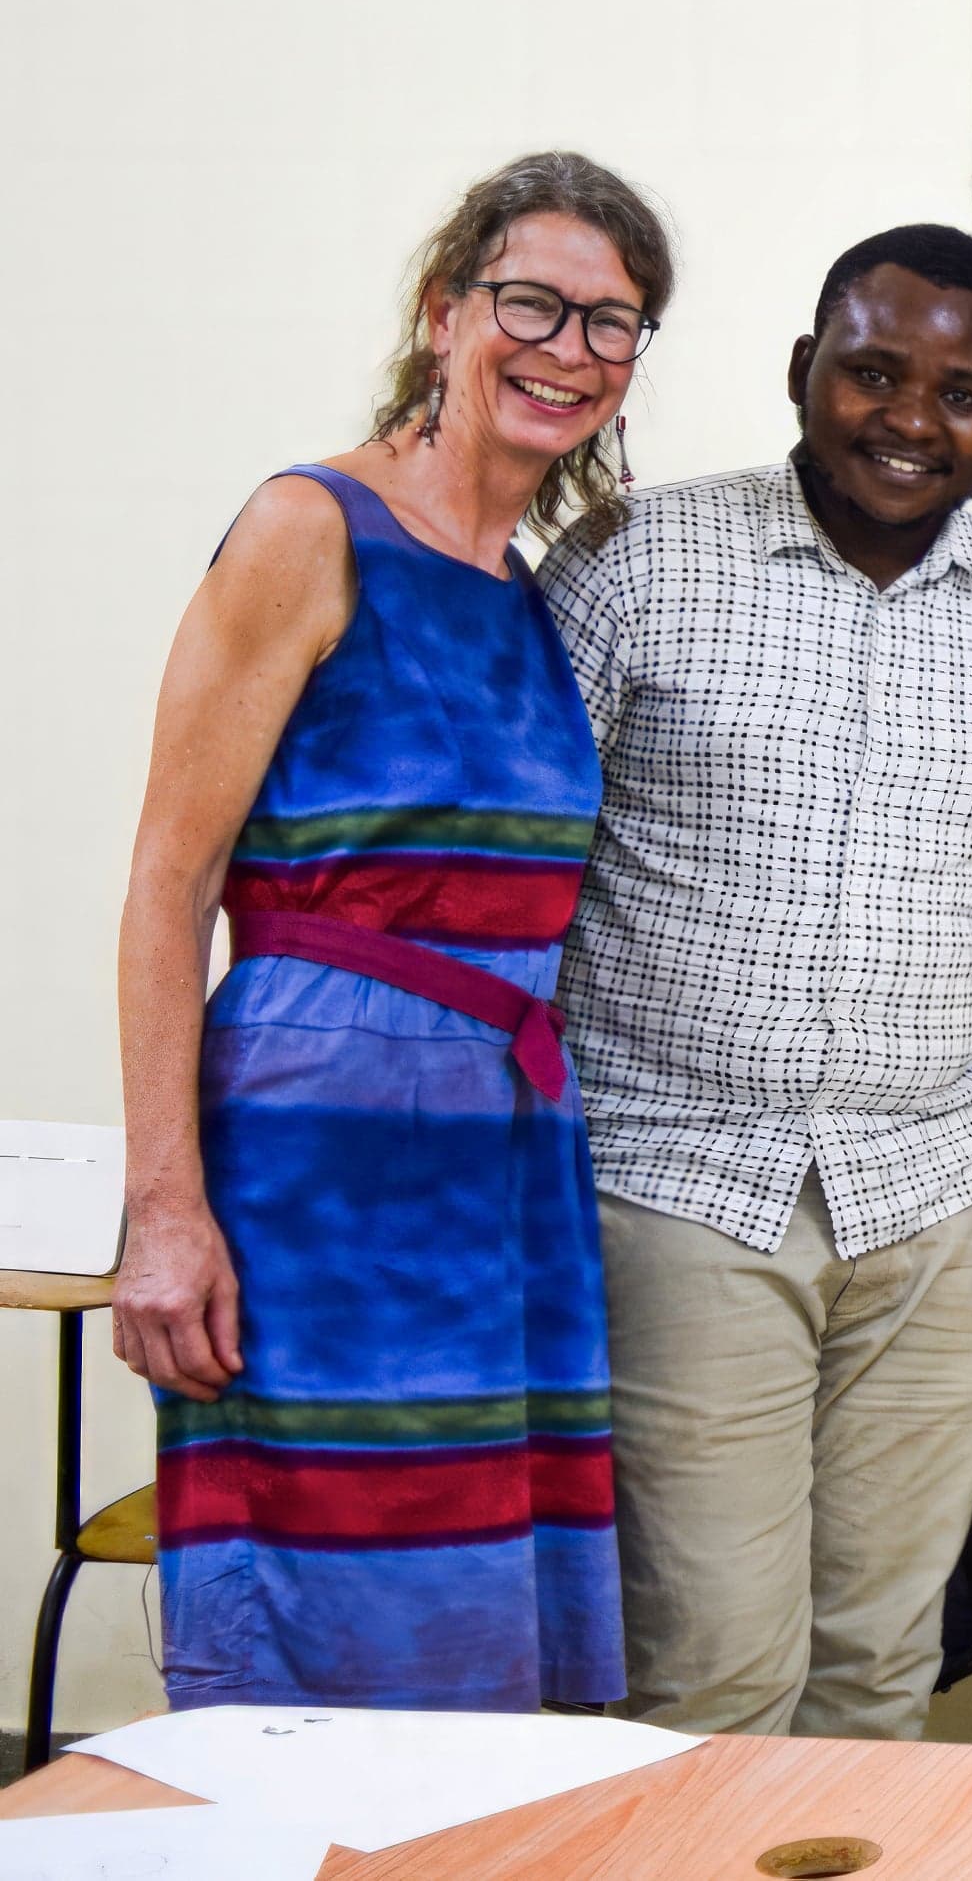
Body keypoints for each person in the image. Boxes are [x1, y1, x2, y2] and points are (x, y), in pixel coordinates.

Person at [110, 152, 668, 1712]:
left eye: (612, 325)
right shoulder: (311, 527)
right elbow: (168, 879)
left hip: (502, 1158)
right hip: (317, 1159)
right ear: (444, 313)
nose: (568, 350)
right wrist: (164, 1209)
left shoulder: (532, 591)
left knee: (481, 1604)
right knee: (327, 1585)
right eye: (532, 304)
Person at [536, 224, 972, 1739]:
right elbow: (522, 876)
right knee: (714, 1678)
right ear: (805, 373)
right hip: (679, 1184)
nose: (916, 420)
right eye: (873, 373)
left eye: (965, 393)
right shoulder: (635, 561)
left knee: (880, 1673)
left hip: (937, 1192)